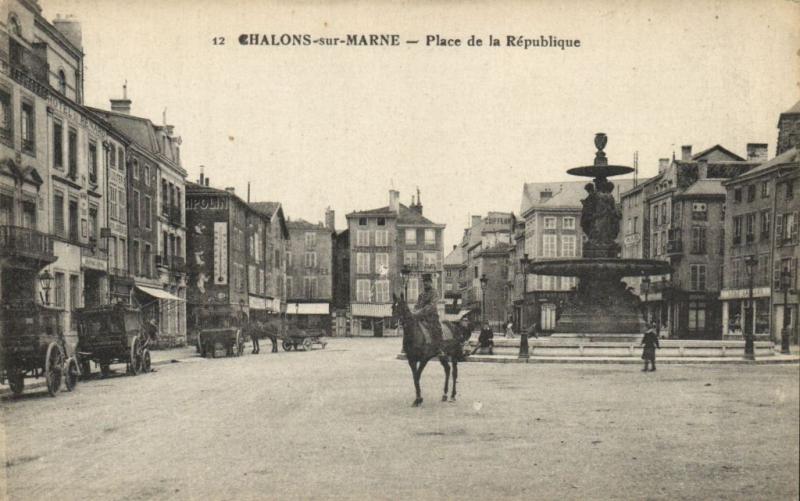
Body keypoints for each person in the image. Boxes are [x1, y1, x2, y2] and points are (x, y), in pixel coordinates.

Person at [413, 274, 443, 348]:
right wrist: (414, 311)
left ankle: (439, 348)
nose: (425, 283)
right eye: (424, 282)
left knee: (436, 330)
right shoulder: (421, 294)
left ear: (431, 282)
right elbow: (417, 305)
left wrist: (420, 312)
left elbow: (432, 305)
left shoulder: (434, 293)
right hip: (420, 317)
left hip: (432, 316)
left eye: (427, 281)